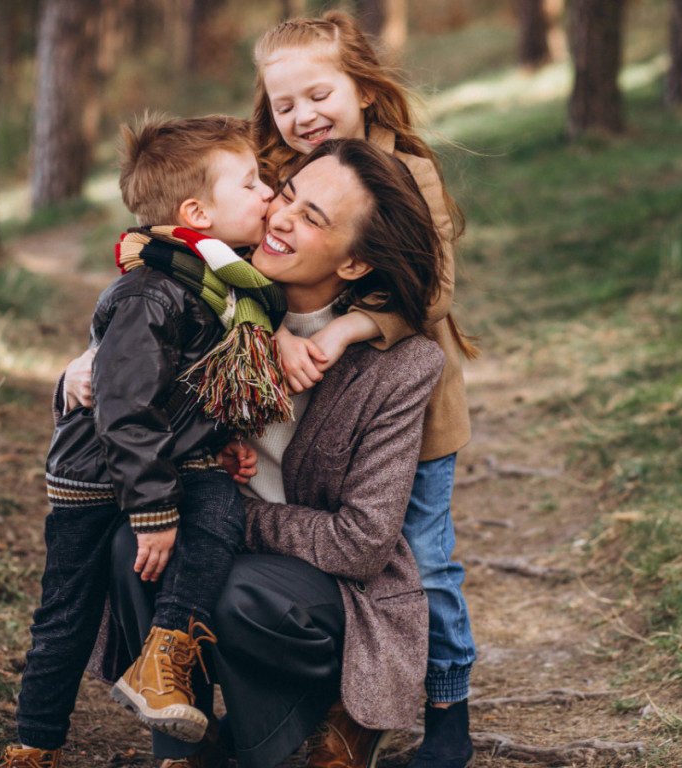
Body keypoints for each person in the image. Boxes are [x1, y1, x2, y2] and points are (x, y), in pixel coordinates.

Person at [78, 139, 444, 768]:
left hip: (327, 589)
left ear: (355, 263)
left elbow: (360, 544)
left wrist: (221, 522)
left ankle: (299, 729)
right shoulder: (215, 299)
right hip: (220, 539)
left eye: (312, 218)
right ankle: (181, 747)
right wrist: (83, 364)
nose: (280, 216)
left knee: (229, 584)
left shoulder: (400, 366)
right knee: (132, 545)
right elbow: (137, 301)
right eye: (288, 195)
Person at [2, 114, 281, 768]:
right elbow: (126, 409)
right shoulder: (153, 291)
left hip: (174, 459)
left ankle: (166, 667)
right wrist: (152, 514)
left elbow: (195, 381)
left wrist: (230, 433)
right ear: (196, 212)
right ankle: (35, 739)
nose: (269, 192)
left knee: (217, 514)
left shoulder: (220, 285)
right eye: (251, 183)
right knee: (67, 611)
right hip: (99, 475)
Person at [251, 13, 478, 768]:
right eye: (285, 105)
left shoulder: (408, 172)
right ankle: (339, 700)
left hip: (413, 416)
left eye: (319, 95)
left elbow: (435, 291)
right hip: (323, 419)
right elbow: (238, 257)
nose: (302, 117)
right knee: (328, 543)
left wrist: (350, 329)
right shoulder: (280, 174)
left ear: (365, 90)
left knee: (425, 561)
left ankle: (448, 712)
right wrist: (277, 330)